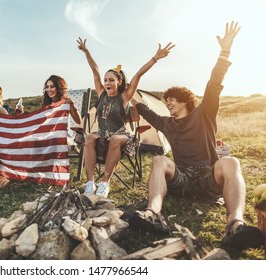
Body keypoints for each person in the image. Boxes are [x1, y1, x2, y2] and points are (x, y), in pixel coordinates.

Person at [130, 22, 263, 249]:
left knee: (231, 161)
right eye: (166, 100)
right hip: (181, 178)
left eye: (172, 99)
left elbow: (214, 82)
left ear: (185, 101)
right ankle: (153, 213)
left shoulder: (205, 114)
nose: (168, 102)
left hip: (207, 178)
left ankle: (235, 224)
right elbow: (139, 105)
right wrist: (124, 89)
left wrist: (225, 52)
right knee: (160, 160)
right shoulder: (166, 123)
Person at [77, 37, 174, 198]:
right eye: (105, 80)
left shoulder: (123, 97)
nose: (107, 83)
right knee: (88, 138)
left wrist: (155, 58)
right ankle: (90, 183)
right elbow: (95, 70)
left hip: (121, 134)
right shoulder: (102, 94)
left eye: (111, 80)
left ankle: (105, 184)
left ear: (119, 81)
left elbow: (138, 76)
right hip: (102, 134)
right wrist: (86, 51)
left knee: (115, 139)